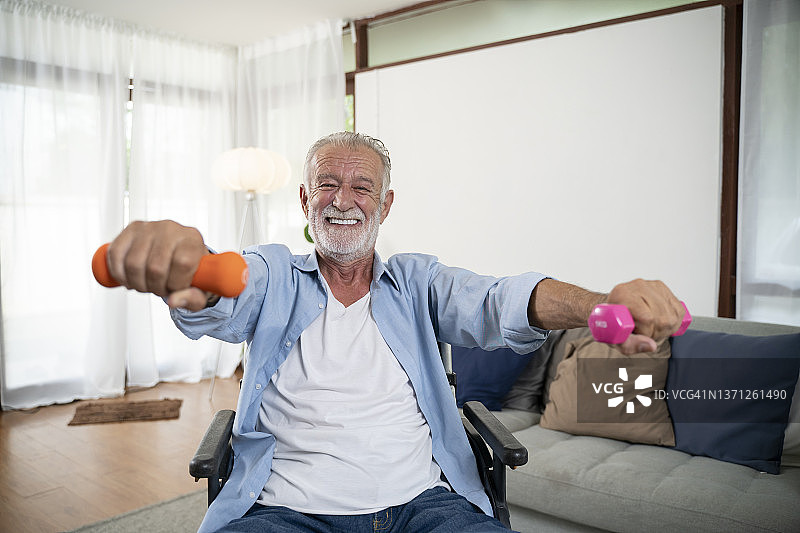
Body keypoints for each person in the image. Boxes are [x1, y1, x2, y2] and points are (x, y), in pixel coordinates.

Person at [104, 132, 686, 532]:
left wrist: (597, 304)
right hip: (282, 509)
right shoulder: (276, 273)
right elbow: (225, 294)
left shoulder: (418, 282)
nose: (343, 200)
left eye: (362, 188)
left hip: (423, 503)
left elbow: (498, 299)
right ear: (306, 199)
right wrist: (193, 268)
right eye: (327, 184)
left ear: (386, 203)